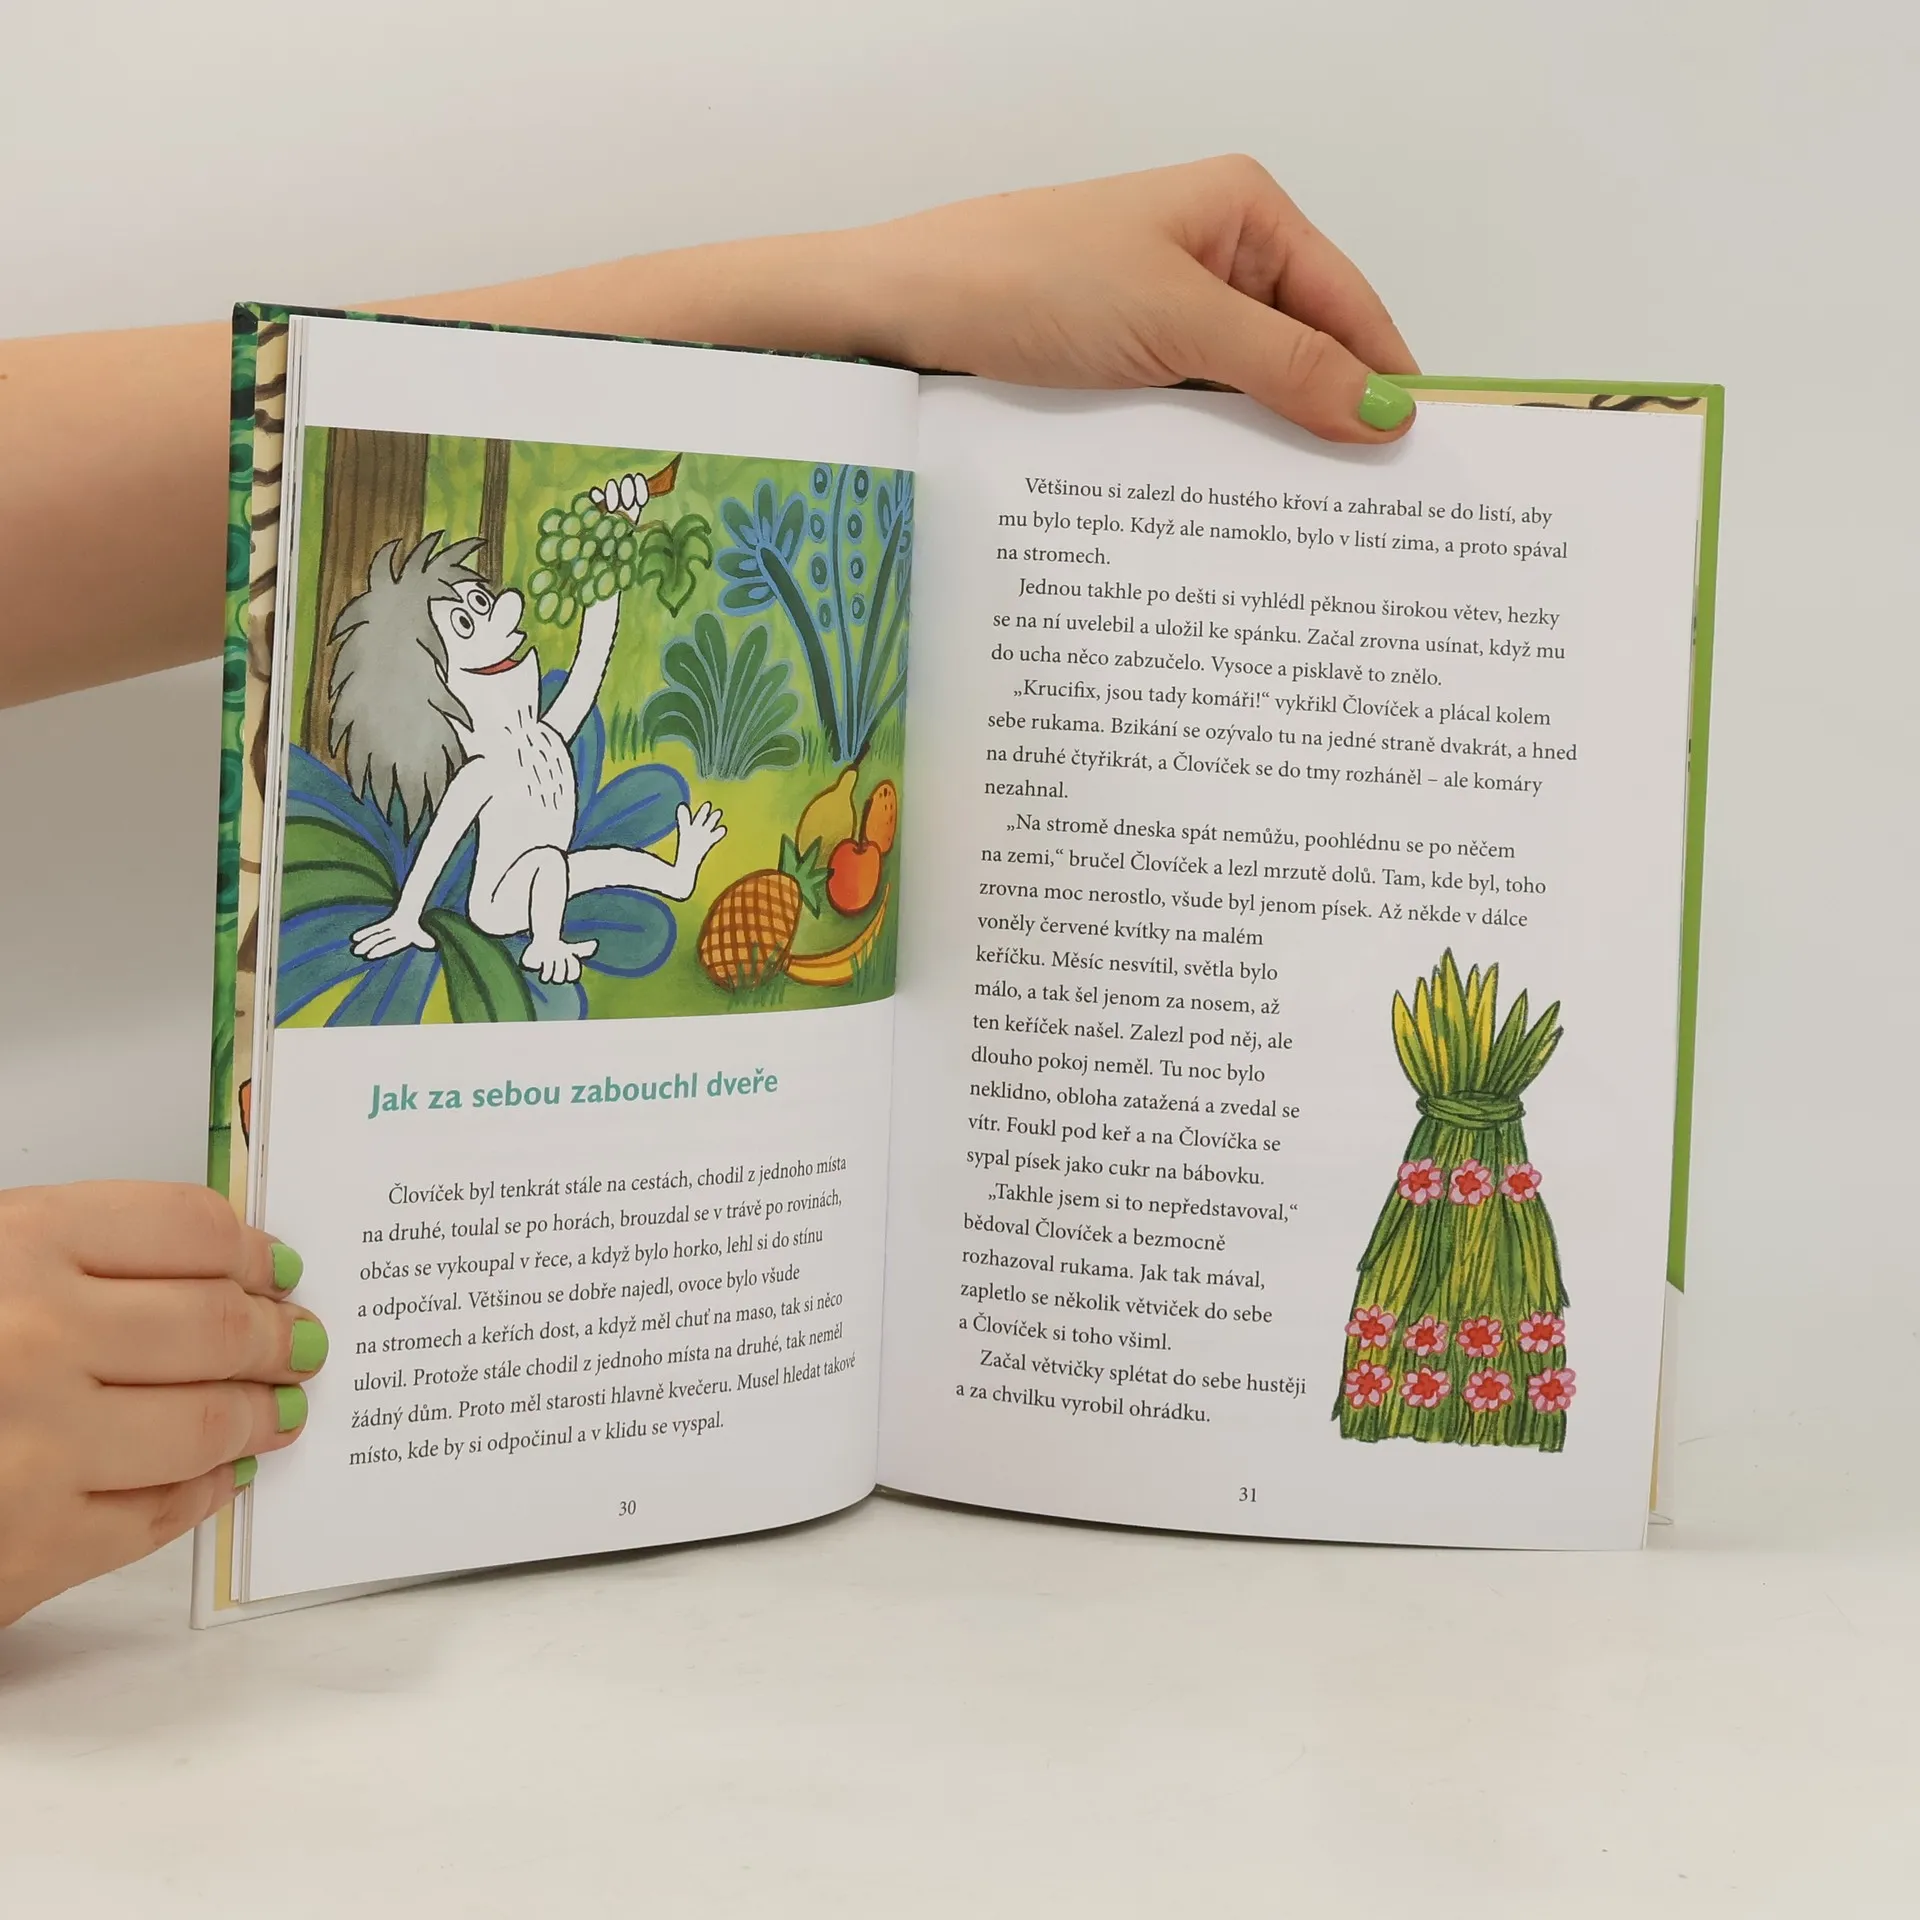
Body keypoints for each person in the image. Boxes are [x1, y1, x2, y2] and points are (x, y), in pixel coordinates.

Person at [0, 154, 1417, 1626]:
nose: (504, 617)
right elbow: (452, 835)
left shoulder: (536, 718)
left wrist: (864, 299)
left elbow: (557, 667)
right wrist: (415, 916)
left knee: (604, 857)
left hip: (558, 867)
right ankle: (589, 910)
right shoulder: (483, 767)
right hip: (508, 990)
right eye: (478, 622)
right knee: (553, 881)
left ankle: (652, 871)